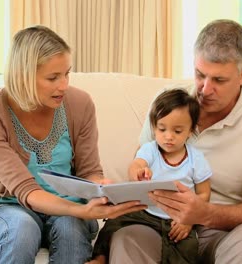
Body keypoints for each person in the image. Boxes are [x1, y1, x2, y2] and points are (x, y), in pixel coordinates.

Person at [108, 19, 242, 264]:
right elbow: (141, 160)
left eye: (219, 80)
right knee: (126, 237)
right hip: (159, 223)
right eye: (200, 74)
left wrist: (204, 213)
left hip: (223, 232)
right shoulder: (168, 102)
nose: (205, 89)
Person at [0, 25, 146, 264]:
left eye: (67, 74)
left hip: (68, 203)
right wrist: (81, 211)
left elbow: (89, 171)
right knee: (22, 230)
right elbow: (25, 191)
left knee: (71, 230)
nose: (64, 85)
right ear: (23, 76)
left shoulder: (80, 103)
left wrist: (101, 188)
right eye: (53, 78)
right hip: (10, 204)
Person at [89, 89, 212, 264]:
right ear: (154, 127)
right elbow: (136, 165)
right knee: (114, 222)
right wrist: (138, 171)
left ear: (190, 131)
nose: (168, 137)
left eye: (177, 131)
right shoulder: (151, 150)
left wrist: (189, 220)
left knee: (188, 247)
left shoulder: (196, 158)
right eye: (162, 129)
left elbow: (204, 193)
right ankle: (100, 258)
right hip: (144, 212)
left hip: (177, 219)